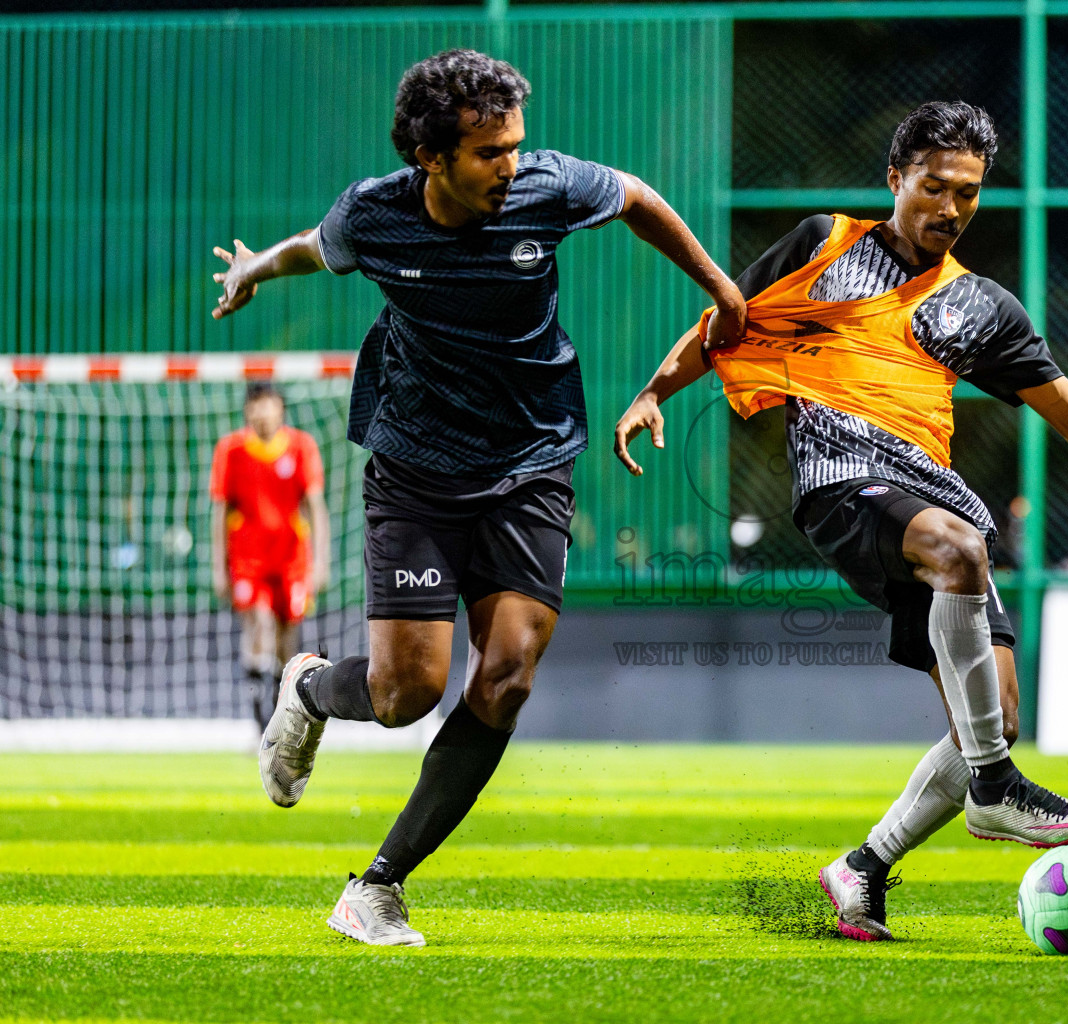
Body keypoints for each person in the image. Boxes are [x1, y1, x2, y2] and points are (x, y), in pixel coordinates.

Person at [614, 101, 1068, 942]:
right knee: (959, 551)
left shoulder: (982, 307)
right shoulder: (824, 244)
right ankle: (996, 789)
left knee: (994, 713)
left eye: (969, 195)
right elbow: (727, 320)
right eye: (935, 188)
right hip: (842, 483)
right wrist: (654, 390)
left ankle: (863, 870)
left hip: (934, 497)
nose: (950, 208)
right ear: (895, 179)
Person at [210, 49, 745, 947]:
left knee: (504, 678)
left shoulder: (548, 188)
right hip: (417, 466)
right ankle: (307, 692)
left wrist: (724, 292)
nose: (512, 166)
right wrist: (259, 267)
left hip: (533, 457)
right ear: (432, 157)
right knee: (405, 693)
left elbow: (639, 198)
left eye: (516, 147)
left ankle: (376, 887)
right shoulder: (374, 214)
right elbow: (317, 246)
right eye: (490, 152)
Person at [209, 382, 329, 728]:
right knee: (258, 625)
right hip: (248, 562)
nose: (262, 411)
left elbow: (315, 507)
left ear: (281, 408)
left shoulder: (301, 446)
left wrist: (321, 562)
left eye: (268, 404)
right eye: (255, 405)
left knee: (286, 640)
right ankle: (259, 720)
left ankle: (279, 716)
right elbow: (219, 511)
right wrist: (219, 568)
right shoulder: (230, 450)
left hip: (291, 561)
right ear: (247, 411)